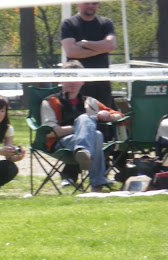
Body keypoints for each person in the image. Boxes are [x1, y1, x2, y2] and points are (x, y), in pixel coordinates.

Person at [40, 60, 124, 192]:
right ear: (61, 80)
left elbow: (120, 116)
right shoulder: (50, 102)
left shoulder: (90, 102)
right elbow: (49, 132)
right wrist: (82, 127)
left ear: (83, 81)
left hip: (86, 141)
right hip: (60, 143)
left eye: (77, 78)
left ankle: (84, 153)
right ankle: (97, 182)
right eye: (69, 78)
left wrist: (109, 116)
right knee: (87, 122)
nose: (73, 82)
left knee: (97, 135)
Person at [60, 1, 117, 184]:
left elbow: (111, 45)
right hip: (77, 85)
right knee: (78, 123)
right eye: (87, 2)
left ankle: (100, 173)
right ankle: (70, 174)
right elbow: (71, 51)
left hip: (102, 85)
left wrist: (85, 44)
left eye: (95, 2)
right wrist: (100, 47)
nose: (91, 6)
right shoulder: (69, 24)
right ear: (78, 3)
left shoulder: (106, 23)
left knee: (102, 127)